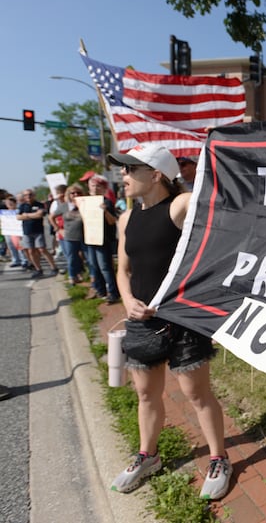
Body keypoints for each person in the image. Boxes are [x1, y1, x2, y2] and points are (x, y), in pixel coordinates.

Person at [107, 143, 230, 500]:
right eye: (124, 169)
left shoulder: (178, 206)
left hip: (182, 321)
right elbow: (123, 271)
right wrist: (128, 301)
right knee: (146, 394)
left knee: (196, 393)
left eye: (131, 169)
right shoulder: (128, 218)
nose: (123, 175)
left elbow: (207, 199)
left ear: (156, 174)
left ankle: (219, 458)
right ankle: (148, 456)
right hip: (141, 323)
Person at [85, 175, 120, 303]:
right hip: (90, 239)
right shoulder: (86, 202)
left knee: (105, 267)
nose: (95, 188)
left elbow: (112, 222)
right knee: (94, 266)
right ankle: (100, 290)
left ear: (103, 188)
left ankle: (113, 292)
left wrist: (105, 211)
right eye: (93, 185)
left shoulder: (106, 202)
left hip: (103, 239)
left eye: (98, 185)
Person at [16, 189, 58, 278]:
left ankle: (54, 267)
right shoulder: (22, 206)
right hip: (27, 231)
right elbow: (18, 217)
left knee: (42, 249)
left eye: (30, 194)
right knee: (31, 251)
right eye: (26, 195)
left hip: (38, 231)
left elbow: (39, 215)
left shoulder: (39, 204)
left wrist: (26, 215)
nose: (28, 196)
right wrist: (32, 215)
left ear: (34, 195)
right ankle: (38, 269)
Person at [55, 183, 88, 286]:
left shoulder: (86, 203)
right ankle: (72, 278)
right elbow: (51, 217)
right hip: (70, 236)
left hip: (86, 236)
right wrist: (58, 229)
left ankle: (91, 277)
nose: (75, 194)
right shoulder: (64, 206)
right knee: (72, 258)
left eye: (78, 192)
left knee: (88, 258)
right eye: (72, 193)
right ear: (69, 195)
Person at [3, 195, 26, 268]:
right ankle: (15, 260)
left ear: (15, 203)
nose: (9, 204)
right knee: (10, 246)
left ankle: (24, 260)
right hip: (8, 231)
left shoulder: (18, 211)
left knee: (19, 245)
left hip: (17, 231)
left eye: (11, 203)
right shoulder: (4, 213)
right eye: (8, 203)